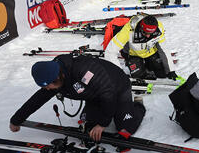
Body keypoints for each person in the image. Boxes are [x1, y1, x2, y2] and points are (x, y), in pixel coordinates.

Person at [10, 54, 145, 142]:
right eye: (46, 88)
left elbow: (108, 93)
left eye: (50, 86)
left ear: (59, 76)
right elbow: (38, 99)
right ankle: (109, 112)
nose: (49, 90)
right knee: (88, 128)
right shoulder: (53, 79)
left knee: (125, 130)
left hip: (117, 88)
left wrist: (103, 124)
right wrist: (17, 119)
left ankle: (138, 106)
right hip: (94, 95)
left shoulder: (84, 70)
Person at [104, 14, 176, 80]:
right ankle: (140, 67)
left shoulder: (159, 27)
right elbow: (110, 51)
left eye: (151, 34)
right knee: (139, 77)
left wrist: (171, 70)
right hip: (133, 54)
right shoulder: (128, 30)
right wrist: (120, 75)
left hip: (150, 52)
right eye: (145, 32)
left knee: (162, 74)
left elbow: (163, 48)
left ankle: (149, 65)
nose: (148, 36)